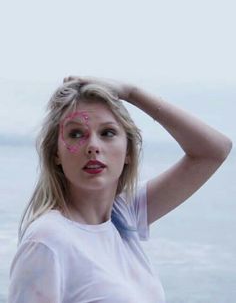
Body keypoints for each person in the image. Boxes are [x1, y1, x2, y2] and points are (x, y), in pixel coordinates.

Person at [8, 76, 232, 303]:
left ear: (128, 152)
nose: (93, 146)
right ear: (56, 153)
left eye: (107, 133)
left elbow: (214, 150)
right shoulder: (46, 241)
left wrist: (131, 92)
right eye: (76, 134)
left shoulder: (124, 215)